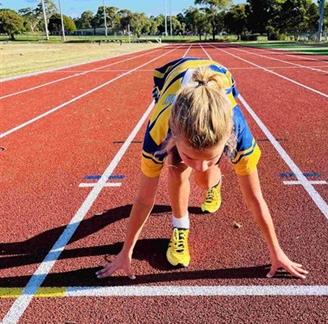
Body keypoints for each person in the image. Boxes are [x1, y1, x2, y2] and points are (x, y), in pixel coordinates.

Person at [96, 58, 308, 280]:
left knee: (203, 180)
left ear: (228, 139)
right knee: (176, 170)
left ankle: (214, 183)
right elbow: (143, 200)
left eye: (210, 158)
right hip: (173, 78)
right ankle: (180, 227)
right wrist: (125, 251)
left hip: (220, 78)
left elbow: (255, 198)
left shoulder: (237, 130)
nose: (199, 166)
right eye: (191, 156)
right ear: (173, 138)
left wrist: (276, 250)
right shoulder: (158, 130)